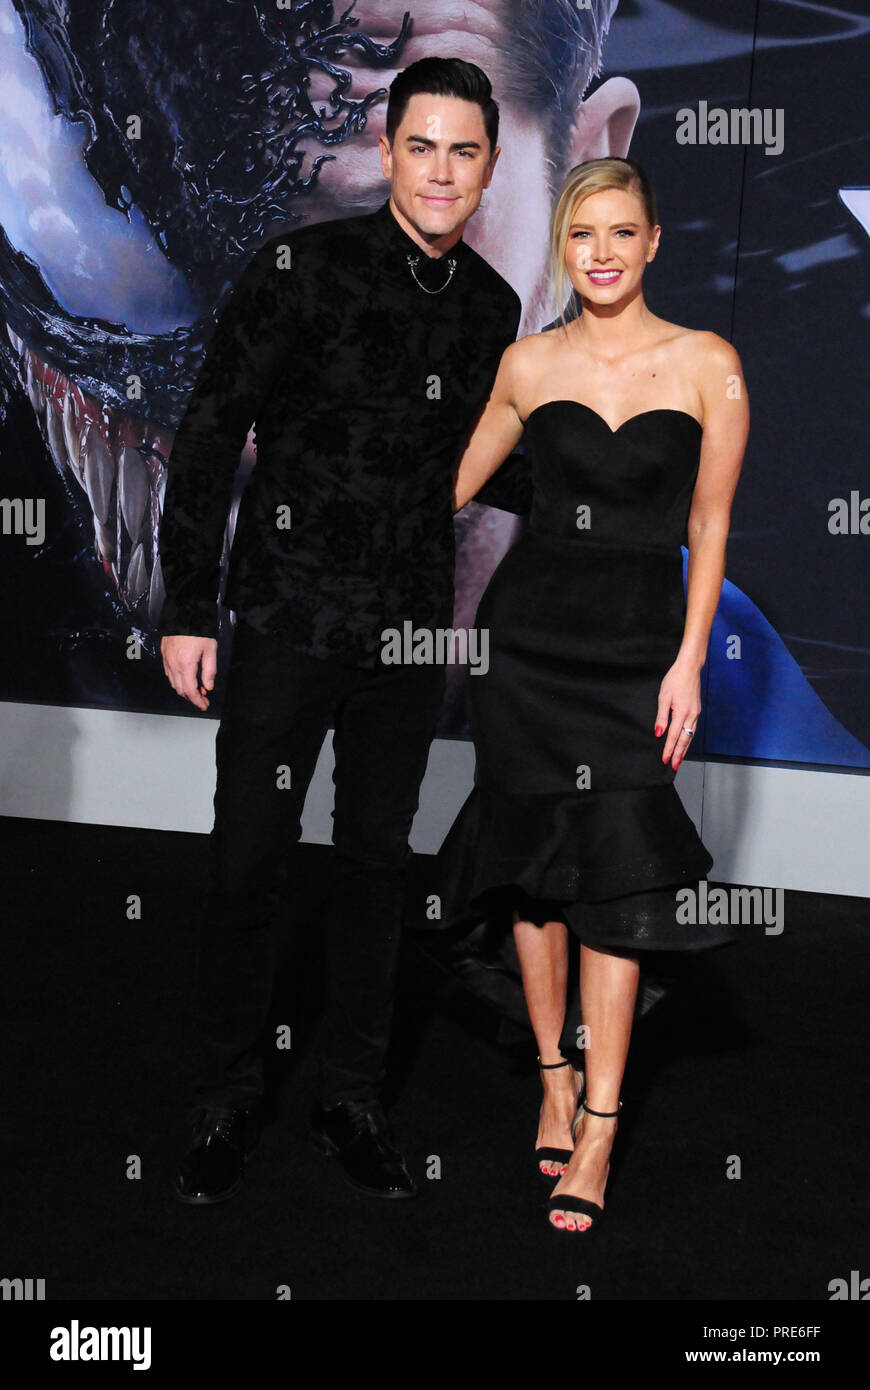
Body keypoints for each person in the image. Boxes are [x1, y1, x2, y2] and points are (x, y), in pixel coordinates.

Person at [158, 57, 522, 1203]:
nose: (442, 173)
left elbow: (485, 473)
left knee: (375, 865)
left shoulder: (494, 310)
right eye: (424, 147)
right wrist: (184, 607)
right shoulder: (298, 269)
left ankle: (349, 1094)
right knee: (248, 859)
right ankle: (225, 1097)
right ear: (386, 145)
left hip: (405, 637)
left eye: (466, 153)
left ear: (490, 168)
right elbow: (210, 433)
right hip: (279, 618)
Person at [445, 155, 749, 1231]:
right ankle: (553, 1077)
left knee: (615, 881)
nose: (603, 253)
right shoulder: (527, 363)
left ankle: (605, 1122)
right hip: (526, 650)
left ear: (654, 241)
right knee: (533, 877)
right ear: (562, 249)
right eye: (583, 236)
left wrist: (689, 659)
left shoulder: (708, 362)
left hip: (635, 657)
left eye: (622, 232)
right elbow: (446, 482)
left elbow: (709, 525)